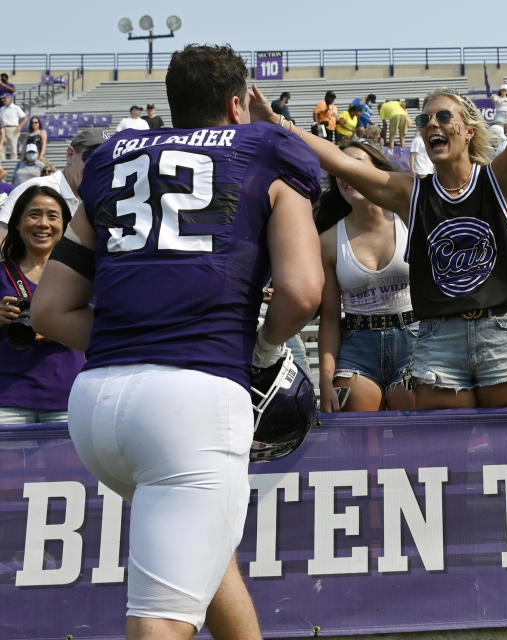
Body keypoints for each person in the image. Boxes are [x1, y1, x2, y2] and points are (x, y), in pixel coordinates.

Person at [31, 43, 324, 640]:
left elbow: (50, 309)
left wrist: (132, 338)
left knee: (204, 560)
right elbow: (302, 292)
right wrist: (262, 351)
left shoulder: (114, 156)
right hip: (192, 402)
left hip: (94, 408)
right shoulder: (268, 148)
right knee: (164, 617)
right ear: (239, 103)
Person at [261, 17, 507, 410]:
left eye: (444, 117)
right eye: (425, 120)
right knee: (445, 451)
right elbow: (343, 165)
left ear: (469, 131)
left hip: (502, 330)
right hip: (437, 336)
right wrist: (280, 123)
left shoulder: (498, 180)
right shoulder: (412, 192)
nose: (432, 125)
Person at [316, 141, 416, 412]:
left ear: (377, 170)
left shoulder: (410, 220)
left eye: (357, 164)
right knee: (361, 444)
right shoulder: (327, 242)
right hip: (357, 345)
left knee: (418, 444)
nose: (348, 174)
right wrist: (325, 380)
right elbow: (328, 318)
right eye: (341, 169)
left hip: (414, 340)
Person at [0, 185, 84, 424]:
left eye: (52, 216)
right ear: (17, 223)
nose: (43, 223)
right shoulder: (2, 273)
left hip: (66, 397)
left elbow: (103, 327)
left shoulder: (81, 276)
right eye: (34, 214)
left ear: (65, 225)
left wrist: (58, 326)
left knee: (66, 464)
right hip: (7, 399)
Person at [0, 128, 109, 245]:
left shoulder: (102, 200)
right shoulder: (35, 188)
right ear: (70, 155)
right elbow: (3, 240)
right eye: (93, 157)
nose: (99, 166)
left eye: (107, 160)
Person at [0, 94, 26, 160]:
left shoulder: (16, 108)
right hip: (3, 128)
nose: (4, 100)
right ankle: (2, 163)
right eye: (3, 99)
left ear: (10, 99)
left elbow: (25, 118)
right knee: (2, 148)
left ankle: (13, 163)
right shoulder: (2, 109)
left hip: (13, 128)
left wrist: (20, 126)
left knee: (13, 148)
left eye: (5, 98)